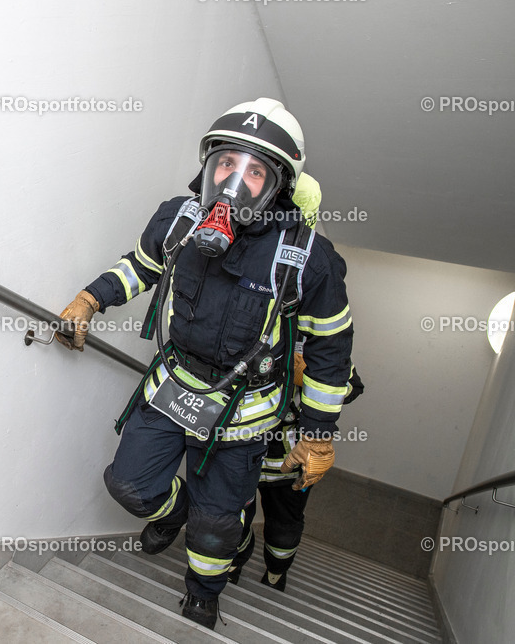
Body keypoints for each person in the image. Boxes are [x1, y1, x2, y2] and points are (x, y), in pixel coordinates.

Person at [56, 98, 353, 629]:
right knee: (129, 486)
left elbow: (331, 350)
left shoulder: (309, 258)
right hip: (173, 387)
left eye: (255, 171)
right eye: (226, 164)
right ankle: (173, 512)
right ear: (208, 167)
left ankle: (204, 590)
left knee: (215, 528)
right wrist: (90, 299)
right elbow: (140, 267)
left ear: (278, 186)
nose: (234, 183)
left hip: (244, 414)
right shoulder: (178, 219)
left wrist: (318, 435)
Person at [229, 343, 364, 591]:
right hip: (241, 452)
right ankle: (233, 564)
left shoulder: (322, 342)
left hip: (291, 463)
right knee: (232, 518)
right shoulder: (253, 321)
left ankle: (276, 572)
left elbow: (352, 387)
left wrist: (308, 378)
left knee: (283, 529)